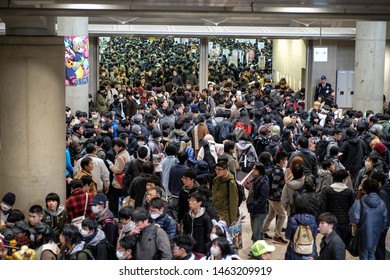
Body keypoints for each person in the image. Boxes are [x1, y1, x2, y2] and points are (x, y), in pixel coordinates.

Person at [349, 178, 387, 260]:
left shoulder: (361, 201)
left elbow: (355, 218)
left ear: (364, 189)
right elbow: (385, 219)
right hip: (376, 233)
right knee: (372, 253)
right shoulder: (381, 203)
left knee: (363, 254)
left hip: (363, 232)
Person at [321, 169, 354, 245]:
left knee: (330, 243)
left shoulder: (327, 190)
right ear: (343, 180)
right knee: (342, 244)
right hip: (345, 222)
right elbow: (352, 208)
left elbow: (324, 207)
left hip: (331, 222)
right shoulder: (349, 192)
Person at [263, 151, 288, 243]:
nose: (285, 162)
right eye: (285, 160)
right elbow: (274, 186)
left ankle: (263, 231)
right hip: (275, 198)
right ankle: (277, 236)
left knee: (271, 214)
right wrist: (278, 198)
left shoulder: (275, 169)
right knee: (282, 215)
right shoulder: (278, 171)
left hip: (270, 197)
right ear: (281, 160)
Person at [244, 163, 269, 242]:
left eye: (255, 169)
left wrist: (254, 204)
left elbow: (263, 197)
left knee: (256, 233)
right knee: (256, 231)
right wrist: (247, 187)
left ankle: (256, 251)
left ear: (259, 171)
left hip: (259, 210)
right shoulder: (253, 179)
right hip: (252, 209)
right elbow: (254, 192)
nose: (253, 170)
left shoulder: (263, 182)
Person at [211, 160, 238, 226]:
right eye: (216, 169)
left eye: (220, 169)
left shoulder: (230, 183)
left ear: (226, 170)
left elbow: (233, 203)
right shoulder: (215, 179)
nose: (217, 171)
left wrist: (233, 220)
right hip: (215, 212)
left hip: (225, 214)